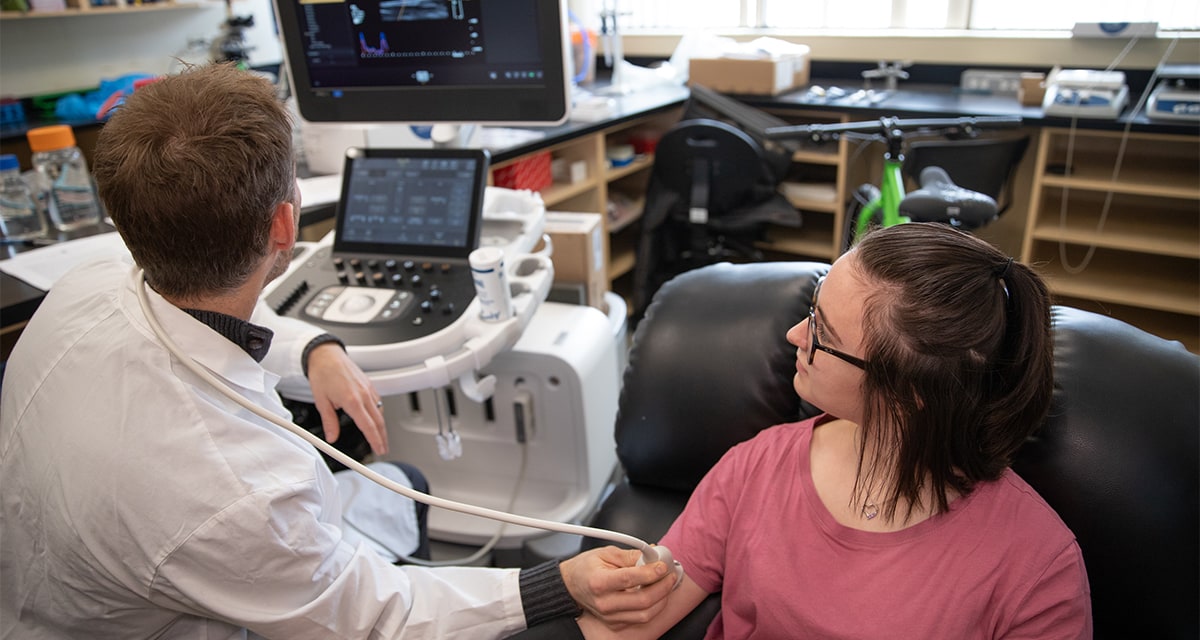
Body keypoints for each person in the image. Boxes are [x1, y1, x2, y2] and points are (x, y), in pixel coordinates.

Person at [0, 62, 676, 639]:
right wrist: (550, 586)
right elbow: (373, 618)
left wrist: (314, 344)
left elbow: (197, 306)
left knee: (405, 485)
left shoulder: (83, 286)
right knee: (408, 494)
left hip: (50, 577)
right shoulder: (237, 495)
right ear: (285, 224)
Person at [577, 222, 1093, 639]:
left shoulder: (1036, 570)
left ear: (909, 393)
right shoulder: (757, 464)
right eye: (812, 311)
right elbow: (629, 624)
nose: (794, 334)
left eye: (822, 332)